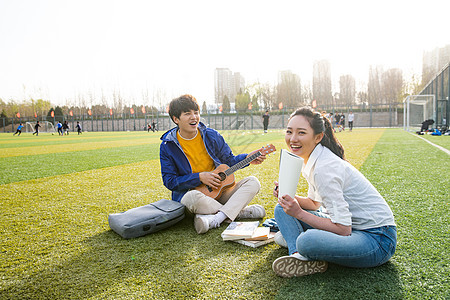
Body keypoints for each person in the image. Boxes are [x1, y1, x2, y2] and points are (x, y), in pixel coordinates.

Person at [271, 107, 396, 278]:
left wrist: (298, 213)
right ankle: (297, 256)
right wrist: (289, 199)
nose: (293, 139)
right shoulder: (314, 159)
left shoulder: (324, 168)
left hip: (377, 238)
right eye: (289, 132)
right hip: (352, 228)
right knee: (281, 209)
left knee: (306, 241)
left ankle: (302, 247)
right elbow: (315, 203)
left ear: (318, 137)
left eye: (301, 133)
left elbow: (343, 229)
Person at [160, 94, 267, 234]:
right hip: (193, 195)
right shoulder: (168, 146)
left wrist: (247, 158)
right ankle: (239, 212)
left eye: (196, 112)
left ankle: (216, 218)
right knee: (192, 198)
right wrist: (199, 177)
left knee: (253, 182)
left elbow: (229, 161)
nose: (194, 117)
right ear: (176, 119)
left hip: (219, 192)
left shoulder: (212, 136)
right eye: (187, 113)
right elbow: (170, 181)